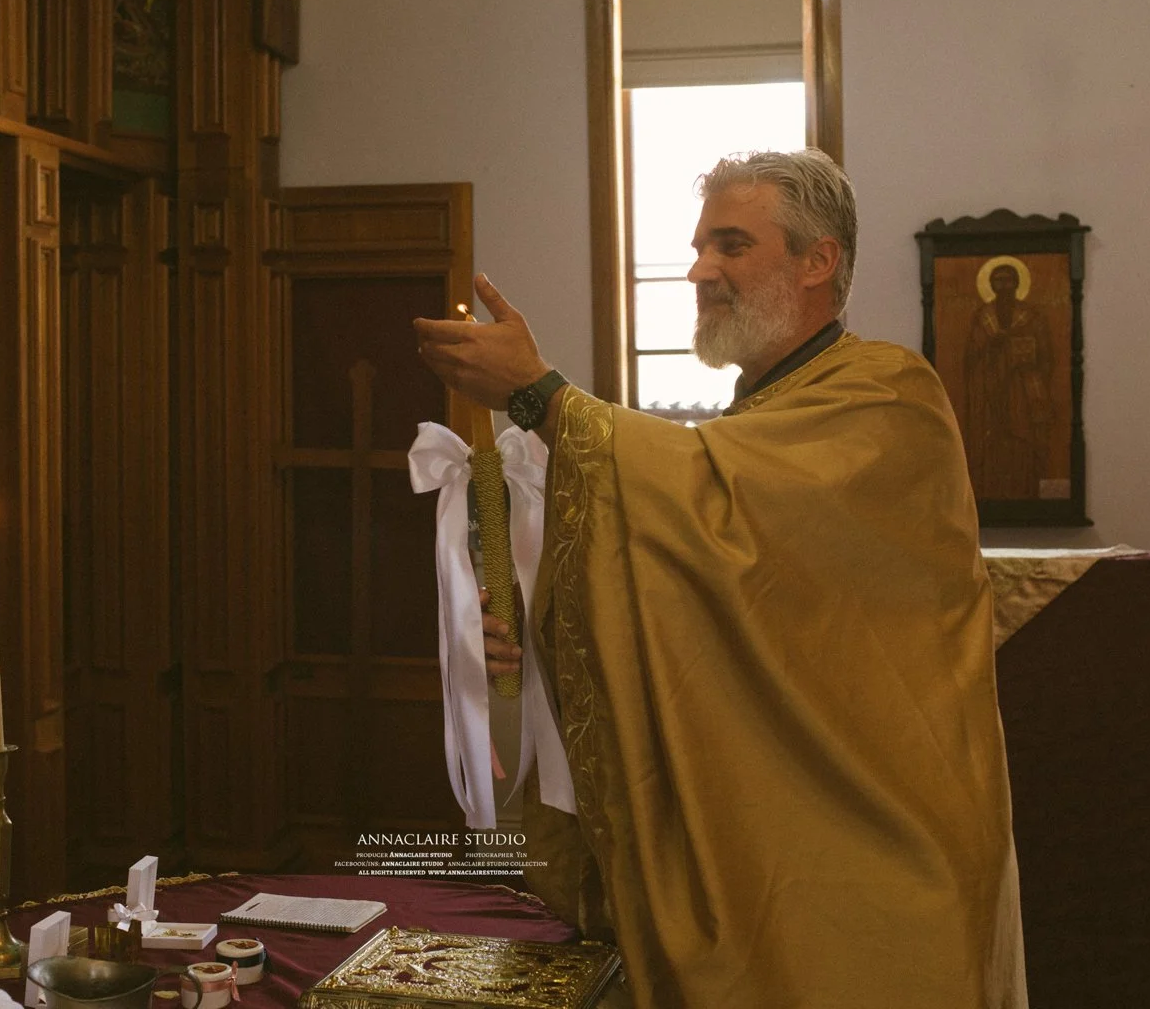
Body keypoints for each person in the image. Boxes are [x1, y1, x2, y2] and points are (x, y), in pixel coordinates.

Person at [414, 149, 1026, 1007]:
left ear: (820, 260)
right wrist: (542, 623)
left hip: (878, 839)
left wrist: (538, 394)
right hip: (789, 830)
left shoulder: (888, 395)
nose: (700, 270)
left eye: (732, 246)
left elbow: (711, 496)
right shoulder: (758, 417)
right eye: (701, 247)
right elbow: (708, 578)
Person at [963, 257, 1055, 499]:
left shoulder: (1031, 317)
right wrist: (991, 346)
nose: (1003, 286)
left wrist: (1025, 362)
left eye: (1008, 281)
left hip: (1023, 391)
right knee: (993, 443)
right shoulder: (983, 317)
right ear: (991, 286)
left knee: (1024, 441)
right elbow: (971, 357)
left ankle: (1027, 491)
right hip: (991, 390)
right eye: (997, 281)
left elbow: (1046, 356)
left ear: (1017, 284)